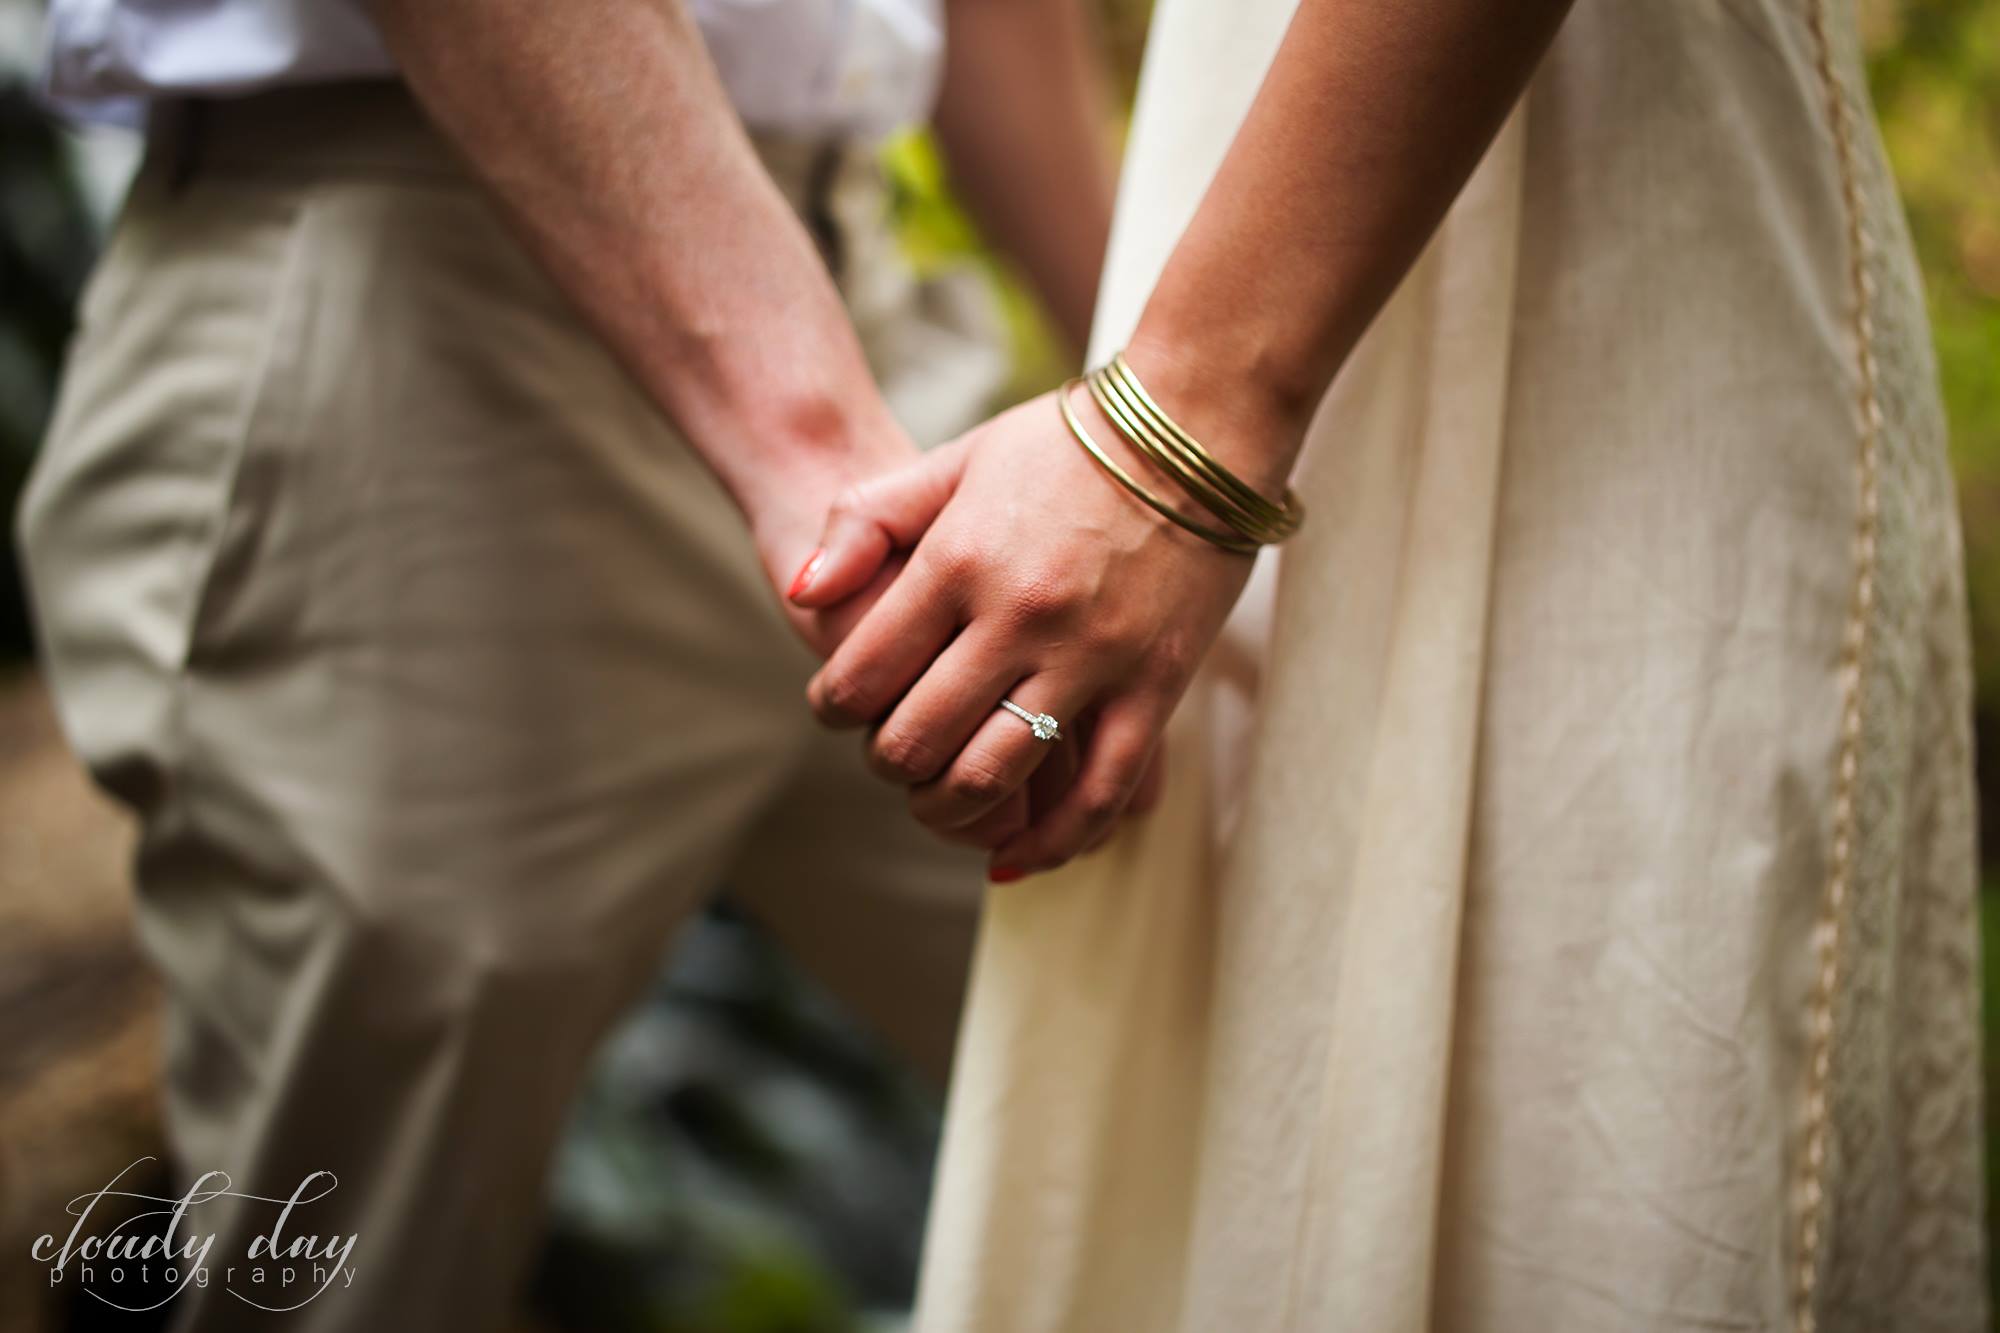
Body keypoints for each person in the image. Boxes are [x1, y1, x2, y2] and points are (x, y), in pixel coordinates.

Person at [789, 0, 1987, 1327]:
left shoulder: (1201, 422)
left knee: (1578, 1155)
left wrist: (1172, 434)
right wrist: (1128, 453)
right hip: (1251, 350)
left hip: (1591, 307)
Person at [17, 1, 1115, 1328]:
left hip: (855, 307)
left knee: (1185, 1018)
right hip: (427, 324)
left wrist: (1139, 388)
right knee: (359, 1270)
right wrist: (816, 461)